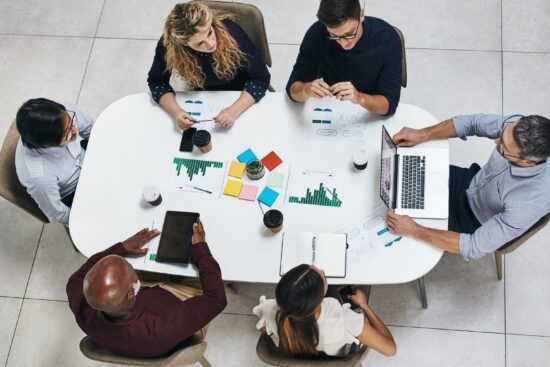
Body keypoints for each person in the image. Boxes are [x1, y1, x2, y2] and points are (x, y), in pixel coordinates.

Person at [386, 114, 550, 259]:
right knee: (400, 172)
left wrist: (415, 230)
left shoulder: (529, 204)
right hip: (470, 182)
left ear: (528, 162)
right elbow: (473, 123)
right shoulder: (517, 127)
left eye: (503, 148)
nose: (496, 141)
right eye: (502, 134)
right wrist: (423, 134)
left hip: (470, 220)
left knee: (392, 230)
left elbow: (473, 246)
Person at [66, 221, 227, 357]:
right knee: (215, 277)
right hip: (173, 327)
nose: (134, 272)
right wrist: (201, 248)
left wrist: (122, 247)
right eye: (132, 271)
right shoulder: (166, 324)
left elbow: (79, 276)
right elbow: (217, 299)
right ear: (130, 294)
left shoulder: (80, 302)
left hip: (136, 336)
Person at [147, 1, 271, 129]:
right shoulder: (169, 46)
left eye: (210, 33)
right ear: (183, 45)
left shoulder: (232, 32)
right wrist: (176, 112)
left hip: (241, 89)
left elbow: (260, 78)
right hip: (201, 89)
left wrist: (234, 111)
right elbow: (157, 82)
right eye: (199, 44)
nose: (210, 44)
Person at [286, 0, 402, 116]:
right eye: (334, 36)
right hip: (333, 108)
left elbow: (389, 105)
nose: (343, 44)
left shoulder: (387, 39)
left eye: (349, 34)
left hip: (370, 111)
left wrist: (359, 97)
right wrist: (306, 89)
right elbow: (292, 89)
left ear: (361, 15)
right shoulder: (317, 33)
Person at [253, 264, 396, 358]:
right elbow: (390, 350)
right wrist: (364, 305)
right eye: (324, 277)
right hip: (336, 356)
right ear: (319, 298)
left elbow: (265, 329)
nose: (322, 271)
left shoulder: (271, 310)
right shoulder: (342, 319)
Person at [15, 98, 93, 225]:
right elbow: (60, 214)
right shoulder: (39, 177)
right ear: (47, 144)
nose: (74, 131)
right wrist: (87, 220)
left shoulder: (62, 112)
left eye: (71, 123)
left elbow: (91, 130)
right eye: (66, 133)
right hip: (74, 191)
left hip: (88, 158)